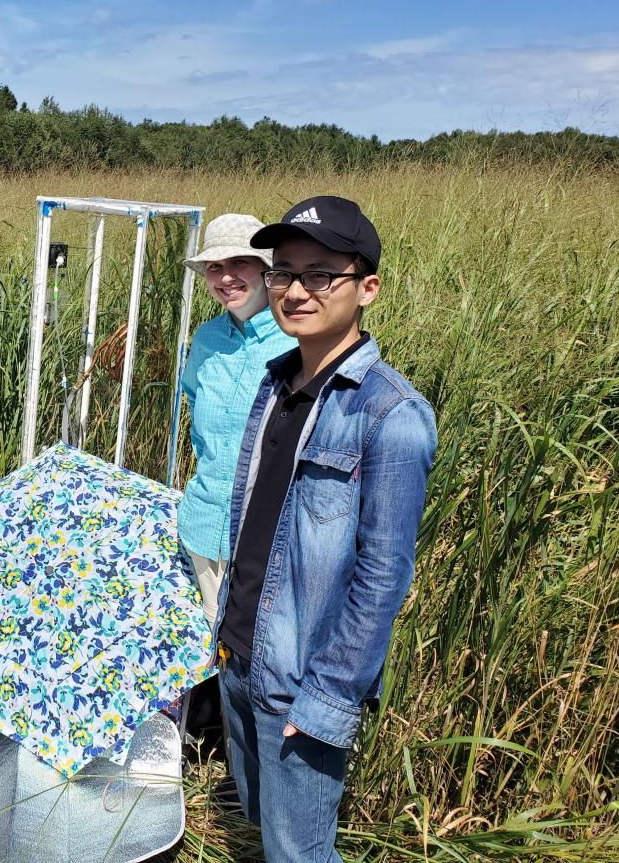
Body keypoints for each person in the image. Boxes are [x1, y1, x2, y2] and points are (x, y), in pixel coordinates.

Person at [214, 196, 437, 862]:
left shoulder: (391, 414)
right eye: (283, 271)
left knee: (300, 851)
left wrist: (327, 697)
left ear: (367, 288)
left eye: (320, 274)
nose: (296, 289)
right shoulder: (277, 382)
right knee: (264, 824)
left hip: (302, 681)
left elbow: (383, 576)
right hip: (240, 651)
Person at [179, 213, 297, 627]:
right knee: (209, 648)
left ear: (267, 270)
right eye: (215, 267)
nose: (225, 277)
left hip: (264, 545)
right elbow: (197, 419)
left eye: (239, 263)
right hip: (202, 528)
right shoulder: (206, 339)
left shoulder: (299, 341)